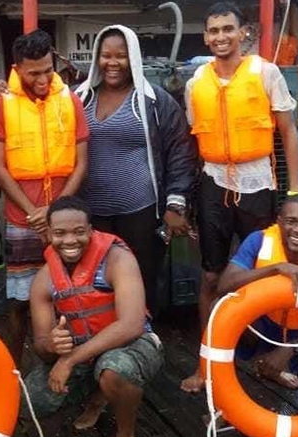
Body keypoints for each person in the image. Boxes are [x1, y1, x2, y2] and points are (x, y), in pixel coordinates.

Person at [181, 2, 298, 392]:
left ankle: (276, 358)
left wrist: (296, 193)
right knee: (212, 276)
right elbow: (190, 141)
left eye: (227, 29)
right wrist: (182, 199)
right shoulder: (195, 81)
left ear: (243, 32)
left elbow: (288, 134)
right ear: (205, 36)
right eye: (214, 31)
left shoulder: (266, 73)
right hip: (213, 185)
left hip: (259, 186)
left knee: (267, 272)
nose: (221, 37)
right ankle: (207, 363)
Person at [25, 196, 164, 437]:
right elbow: (41, 345)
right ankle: (97, 395)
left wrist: (70, 359)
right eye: (60, 233)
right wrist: (51, 346)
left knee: (115, 371)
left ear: (91, 230)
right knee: (33, 398)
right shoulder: (43, 278)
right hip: (84, 353)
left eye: (79, 232)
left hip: (133, 346)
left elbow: (132, 324)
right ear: (48, 234)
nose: (70, 240)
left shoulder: (118, 260)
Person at [181, 194, 298, 412]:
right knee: (220, 306)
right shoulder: (259, 241)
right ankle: (214, 380)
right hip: (263, 325)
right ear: (279, 221)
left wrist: (293, 349)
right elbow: (224, 285)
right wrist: (275, 268)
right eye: (291, 221)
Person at [74, 26, 197, 313]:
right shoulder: (78, 98)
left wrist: (175, 204)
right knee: (97, 278)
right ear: (96, 58)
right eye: (106, 56)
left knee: (141, 277)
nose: (112, 63)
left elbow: (180, 151)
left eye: (121, 56)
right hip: (91, 213)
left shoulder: (154, 101)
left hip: (141, 211)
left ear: (134, 58)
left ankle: (144, 341)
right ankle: (102, 340)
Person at [0, 29, 89, 365]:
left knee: (69, 293)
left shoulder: (70, 99)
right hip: (21, 217)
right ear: (17, 68)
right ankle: (15, 368)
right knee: (18, 299)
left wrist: (55, 211)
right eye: (34, 73)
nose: (43, 78)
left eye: (48, 70)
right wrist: (34, 212)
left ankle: (67, 366)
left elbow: (81, 161)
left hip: (65, 217)